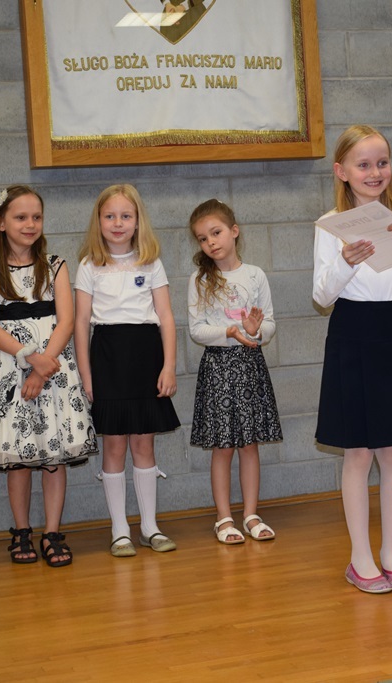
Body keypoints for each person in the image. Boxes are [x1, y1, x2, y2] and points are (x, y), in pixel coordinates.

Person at [314, 125, 392, 594]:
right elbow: (321, 295)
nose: (375, 172)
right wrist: (346, 261)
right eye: (364, 164)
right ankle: (360, 557)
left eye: (382, 163)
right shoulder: (330, 225)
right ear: (342, 171)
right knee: (358, 452)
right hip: (351, 335)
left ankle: (391, 553)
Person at [0, 185, 98, 567]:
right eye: (20, 217)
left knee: (53, 457)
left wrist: (43, 369)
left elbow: (66, 321)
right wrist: (30, 360)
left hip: (54, 369)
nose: (30, 224)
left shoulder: (56, 265)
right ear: (0, 223)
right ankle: (22, 530)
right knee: (19, 457)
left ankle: (52, 532)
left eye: (36, 217)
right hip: (13, 370)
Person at [74, 184, 180, 558]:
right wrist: (86, 375)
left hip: (146, 356)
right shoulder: (89, 265)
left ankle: (149, 527)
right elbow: (81, 322)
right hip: (107, 358)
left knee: (144, 443)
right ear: (99, 221)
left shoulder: (150, 262)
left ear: (137, 221)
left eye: (125, 216)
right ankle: (119, 530)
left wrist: (169, 366)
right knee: (115, 444)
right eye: (110, 216)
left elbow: (166, 316)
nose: (117, 223)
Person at [187, 198, 282, 544]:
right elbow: (197, 329)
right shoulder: (200, 279)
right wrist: (229, 332)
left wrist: (255, 331)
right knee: (223, 446)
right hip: (218, 368)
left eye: (216, 233)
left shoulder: (255, 275)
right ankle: (224, 517)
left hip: (250, 366)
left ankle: (251, 514)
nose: (210, 242)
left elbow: (269, 324)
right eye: (202, 238)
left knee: (250, 444)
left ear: (234, 231)